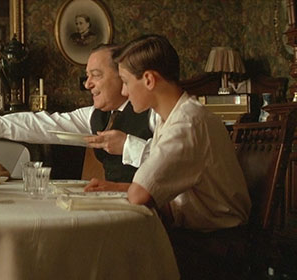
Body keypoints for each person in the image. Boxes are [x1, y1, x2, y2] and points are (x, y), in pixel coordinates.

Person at [84, 34, 250, 231]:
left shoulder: (187, 123)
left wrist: (122, 190)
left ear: (148, 80)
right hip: (196, 231)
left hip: (217, 241)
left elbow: (139, 195)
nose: (124, 93)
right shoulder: (171, 117)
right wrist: (114, 188)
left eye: (126, 82)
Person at [0, 44, 157, 183]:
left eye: (96, 75)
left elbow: (175, 164)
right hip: (113, 205)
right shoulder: (94, 115)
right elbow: (41, 124)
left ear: (123, 75)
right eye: (87, 76)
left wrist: (128, 145)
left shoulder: (154, 114)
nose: (88, 84)